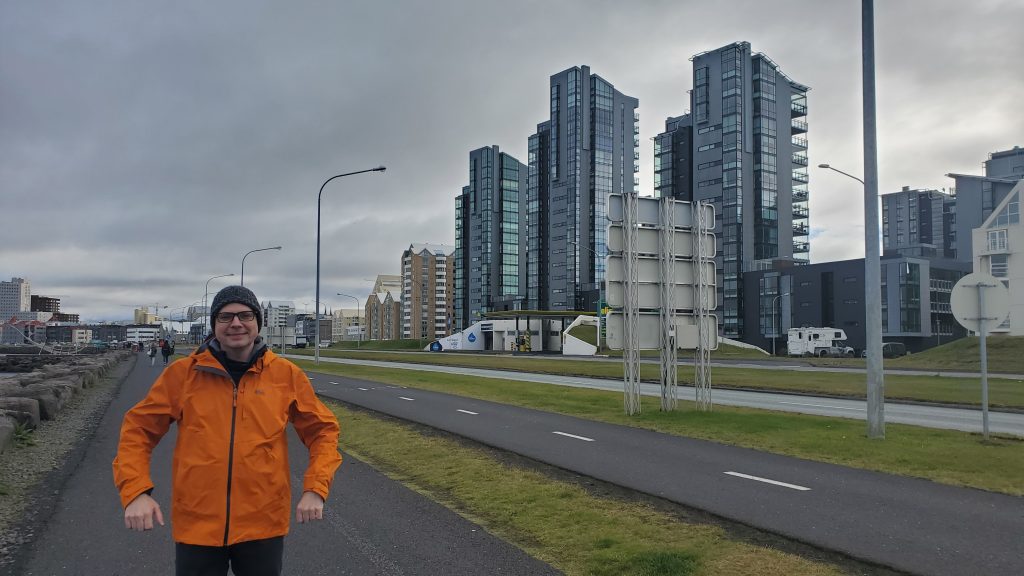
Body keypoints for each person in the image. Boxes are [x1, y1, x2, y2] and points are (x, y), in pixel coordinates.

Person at [113, 285, 341, 576]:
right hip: (198, 524)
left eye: (245, 315)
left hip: (263, 524)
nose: (236, 323)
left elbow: (323, 431)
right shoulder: (183, 374)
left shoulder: (286, 375)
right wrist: (135, 492)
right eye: (225, 316)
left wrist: (316, 489)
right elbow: (139, 429)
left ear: (258, 322)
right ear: (214, 325)